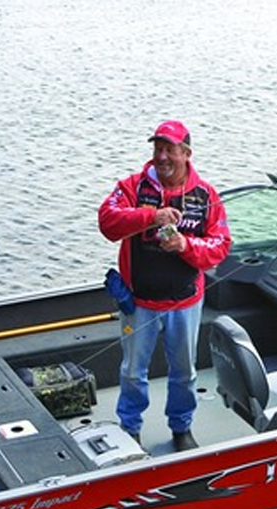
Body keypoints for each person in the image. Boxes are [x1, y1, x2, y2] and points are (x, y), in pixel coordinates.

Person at [98, 120, 231, 451]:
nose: (162, 156)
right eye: (157, 148)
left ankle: (181, 427)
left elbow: (220, 247)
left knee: (184, 372)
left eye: (170, 149)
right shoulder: (131, 186)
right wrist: (150, 216)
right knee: (132, 372)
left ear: (186, 153)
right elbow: (107, 222)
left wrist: (186, 247)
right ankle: (130, 428)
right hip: (138, 303)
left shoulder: (206, 195)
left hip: (184, 303)